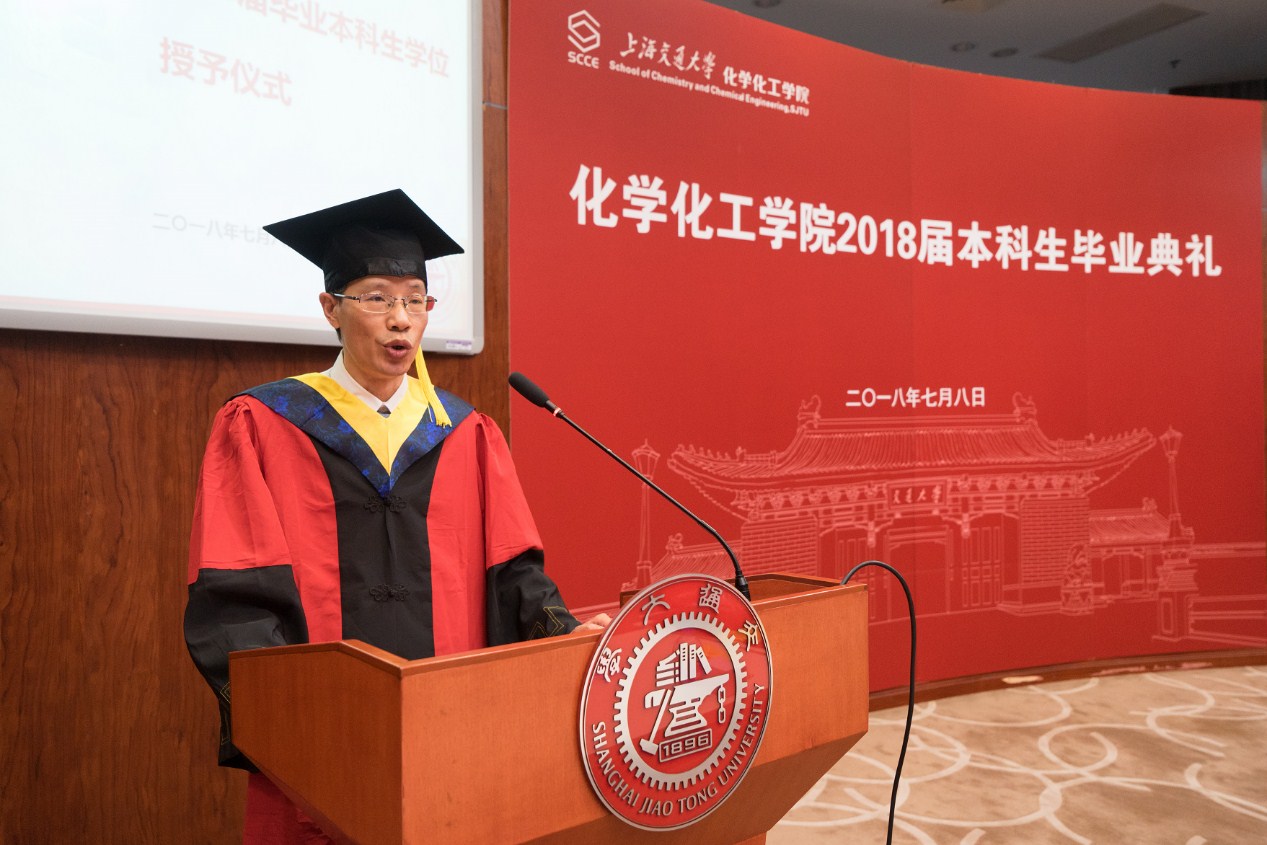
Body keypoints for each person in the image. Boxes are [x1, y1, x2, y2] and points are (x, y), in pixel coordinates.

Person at [184, 189, 608, 844]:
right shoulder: (262, 424)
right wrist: (294, 719)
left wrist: (568, 632)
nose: (400, 320)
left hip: (451, 731)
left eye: (415, 300)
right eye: (377, 299)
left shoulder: (465, 433)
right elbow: (234, 592)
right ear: (331, 307)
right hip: (323, 740)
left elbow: (513, 574)